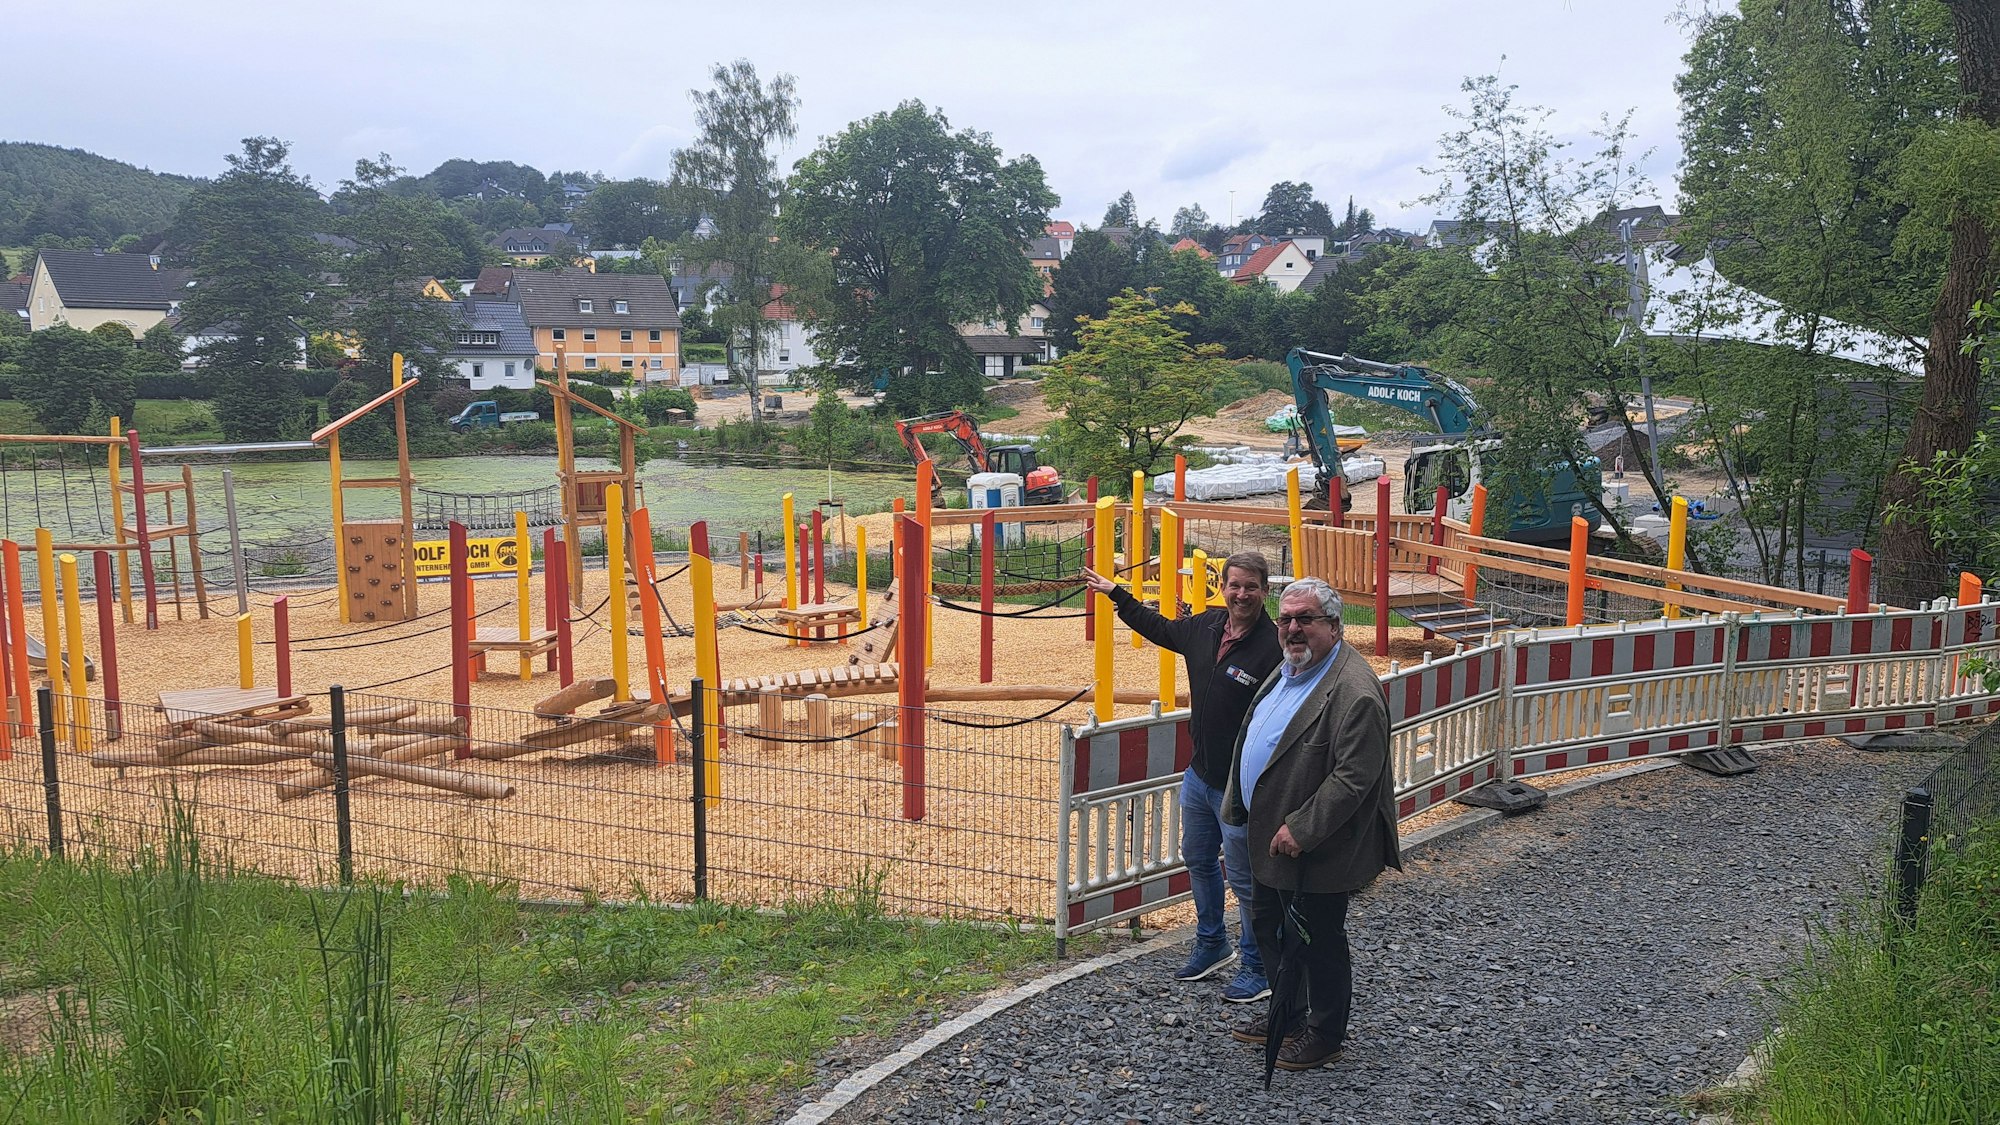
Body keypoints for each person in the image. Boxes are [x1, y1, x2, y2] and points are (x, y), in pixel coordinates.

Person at [1081, 552, 1281, 1004]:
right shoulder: (1206, 629)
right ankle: (1213, 943)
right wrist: (1118, 595)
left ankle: (1258, 964)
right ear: (1223, 588)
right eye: (1234, 586)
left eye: (1251, 587)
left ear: (1265, 591)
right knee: (1198, 858)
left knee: (1246, 879)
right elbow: (1161, 629)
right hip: (1200, 774)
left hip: (1242, 785)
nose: (1241, 594)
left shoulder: (1274, 645)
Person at [1221, 577, 1400, 1071]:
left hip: (1317, 845)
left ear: (1335, 626)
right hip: (1266, 835)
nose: (1293, 628)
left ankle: (1324, 1032)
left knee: (1318, 939)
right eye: (1286, 619)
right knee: (1271, 928)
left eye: (1306, 619)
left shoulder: (1354, 690)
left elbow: (1354, 777)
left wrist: (1302, 828)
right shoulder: (1290, 670)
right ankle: (1288, 1013)